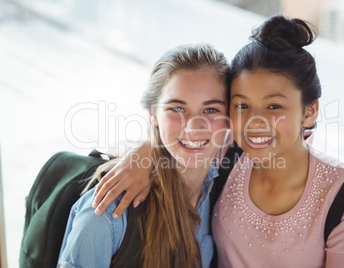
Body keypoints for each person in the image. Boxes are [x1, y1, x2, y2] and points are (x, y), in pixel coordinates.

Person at [93, 15, 344, 268]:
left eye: (274, 107)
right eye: (242, 106)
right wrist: (143, 156)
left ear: (309, 112)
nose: (255, 123)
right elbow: (173, 136)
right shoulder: (226, 151)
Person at [57, 43, 230, 268]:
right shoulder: (107, 214)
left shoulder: (224, 189)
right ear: (153, 114)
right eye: (177, 108)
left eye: (211, 110)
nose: (194, 128)